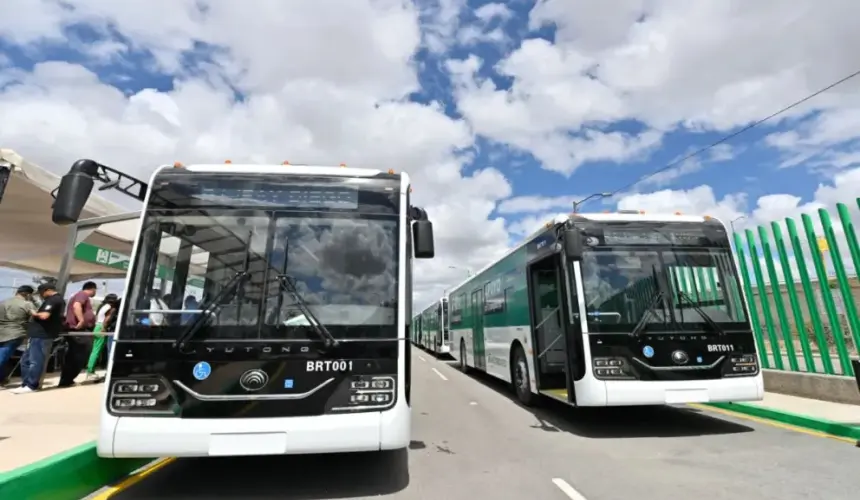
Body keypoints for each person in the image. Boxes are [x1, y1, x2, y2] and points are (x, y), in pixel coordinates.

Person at [11, 283, 66, 394]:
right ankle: (25, 384)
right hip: (37, 335)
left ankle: (31, 385)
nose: (40, 296)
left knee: (35, 361)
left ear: (47, 290)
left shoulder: (53, 300)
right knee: (25, 360)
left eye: (41, 293)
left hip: (42, 335)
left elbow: (45, 315)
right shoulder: (55, 300)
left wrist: (33, 312)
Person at [59, 281, 98, 388]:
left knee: (75, 355)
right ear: (92, 289)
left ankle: (67, 379)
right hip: (79, 330)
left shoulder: (79, 295)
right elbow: (77, 305)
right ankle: (67, 379)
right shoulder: (82, 295)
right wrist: (81, 320)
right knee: (79, 355)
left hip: (80, 330)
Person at [0, 285, 37, 384]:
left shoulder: (3, 302)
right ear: (28, 294)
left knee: (3, 356)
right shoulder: (27, 304)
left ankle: (2, 378)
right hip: (15, 333)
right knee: (3, 357)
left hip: (1, 332)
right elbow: (36, 316)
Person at [86, 293, 118, 377]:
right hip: (101, 328)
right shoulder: (111, 308)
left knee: (95, 349)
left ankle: (90, 370)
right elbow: (107, 320)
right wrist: (104, 328)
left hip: (97, 326)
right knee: (97, 350)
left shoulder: (102, 306)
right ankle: (90, 370)